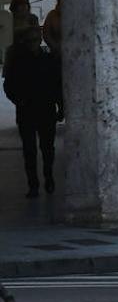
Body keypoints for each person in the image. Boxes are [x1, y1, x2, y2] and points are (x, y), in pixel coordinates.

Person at [3, 24, 63, 197]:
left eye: (35, 40)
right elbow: (9, 86)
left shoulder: (48, 61)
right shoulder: (20, 63)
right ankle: (34, 184)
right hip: (28, 110)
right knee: (30, 150)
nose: (32, 44)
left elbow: (57, 86)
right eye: (29, 40)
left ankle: (48, 177)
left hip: (44, 110)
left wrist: (61, 107)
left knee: (47, 149)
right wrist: (19, 100)